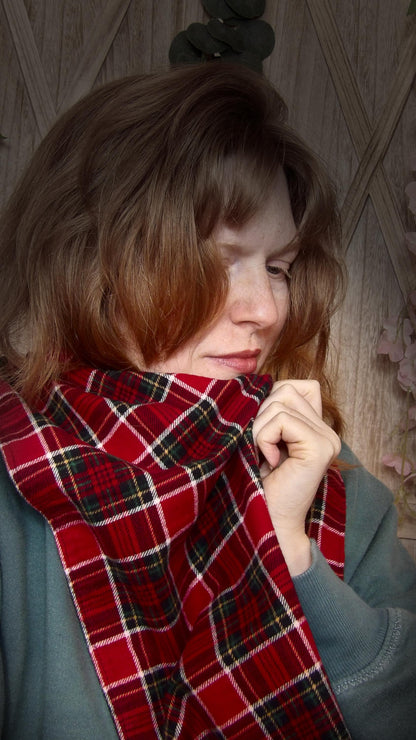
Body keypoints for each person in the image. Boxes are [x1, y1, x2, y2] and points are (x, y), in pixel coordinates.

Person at [0, 62, 414, 740]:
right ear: (96, 259)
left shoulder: (335, 484)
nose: (262, 310)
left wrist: (289, 558)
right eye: (217, 262)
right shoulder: (16, 478)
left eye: (277, 267)